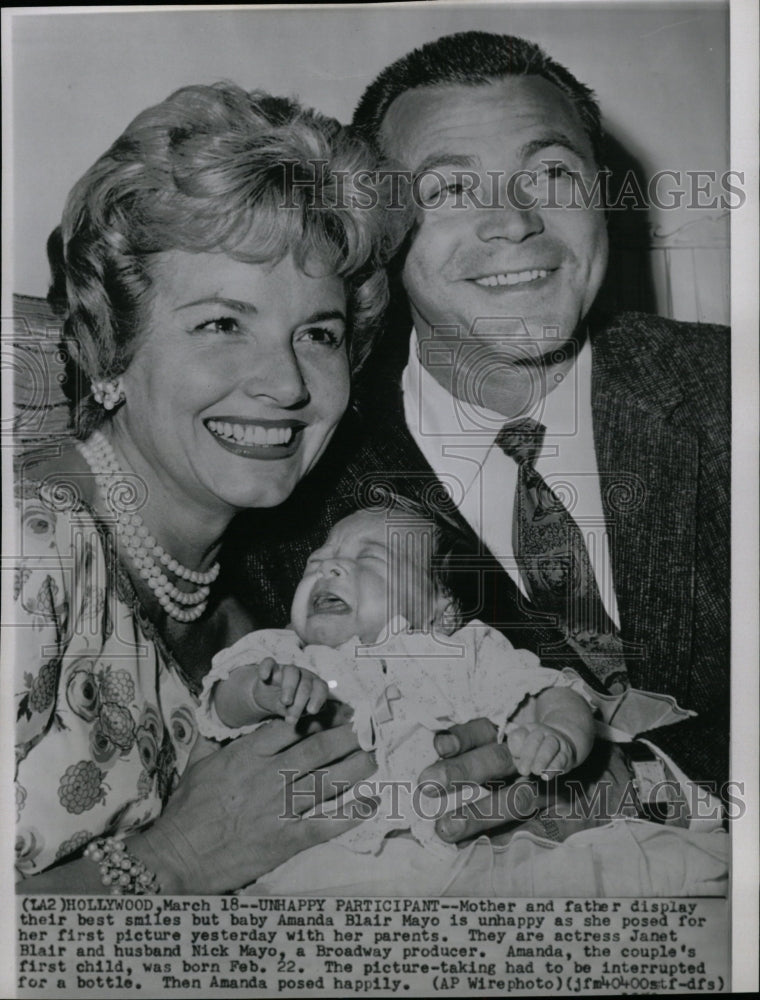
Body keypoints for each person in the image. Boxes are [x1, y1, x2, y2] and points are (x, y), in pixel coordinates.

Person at [233, 31, 730, 848]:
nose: (515, 220)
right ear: (377, 233)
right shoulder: (283, 486)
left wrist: (655, 785)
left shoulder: (730, 391)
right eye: (451, 187)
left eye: (552, 174)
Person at [12, 81, 393, 893]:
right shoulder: (28, 556)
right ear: (111, 346)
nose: (287, 384)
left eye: (318, 334)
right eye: (223, 323)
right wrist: (175, 860)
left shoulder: (241, 621)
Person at [200, 501, 727, 897]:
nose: (329, 570)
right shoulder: (284, 652)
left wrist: (557, 735)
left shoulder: (462, 651)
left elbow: (547, 692)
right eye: (318, 562)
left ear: (442, 607)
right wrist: (263, 690)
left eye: (370, 559)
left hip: (456, 860)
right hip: (313, 865)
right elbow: (222, 703)